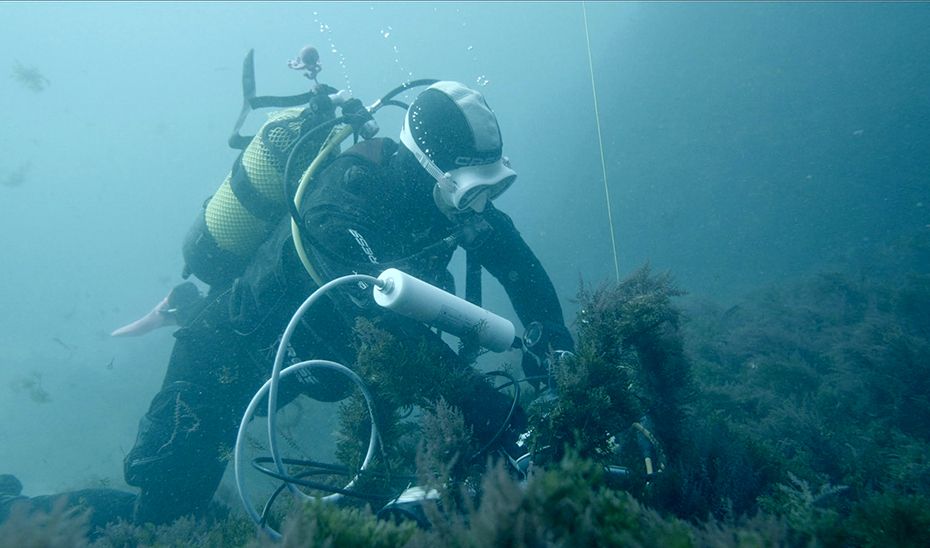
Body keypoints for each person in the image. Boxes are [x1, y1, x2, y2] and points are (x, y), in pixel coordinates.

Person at [3, 78, 574, 528]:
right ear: (435, 172)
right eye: (473, 190)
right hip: (217, 364)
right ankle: (12, 510)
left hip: (290, 371)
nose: (482, 205)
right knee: (165, 520)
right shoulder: (339, 206)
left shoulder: (447, 203)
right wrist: (501, 419)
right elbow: (384, 326)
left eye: (491, 189)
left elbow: (519, 265)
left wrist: (556, 349)